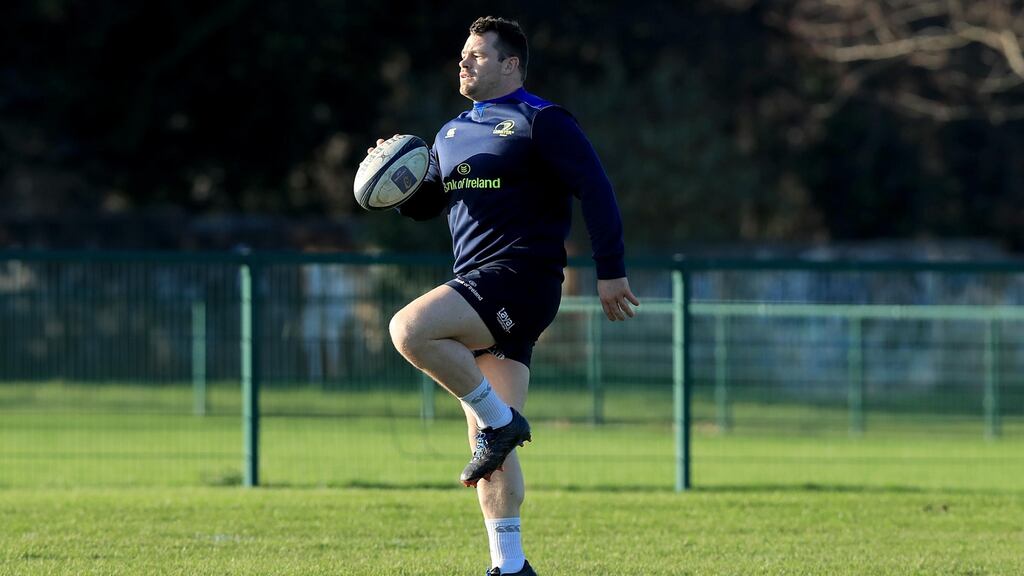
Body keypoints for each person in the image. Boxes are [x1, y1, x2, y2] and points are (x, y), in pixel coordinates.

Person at [372, 16, 639, 576]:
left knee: (408, 329)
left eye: (476, 54)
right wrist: (396, 176)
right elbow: (430, 204)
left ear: (509, 64)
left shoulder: (540, 120)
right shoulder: (448, 134)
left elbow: (596, 188)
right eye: (462, 55)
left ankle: (500, 421)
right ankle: (510, 566)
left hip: (520, 277)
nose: (463, 62)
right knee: (490, 451)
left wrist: (610, 270)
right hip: (483, 285)